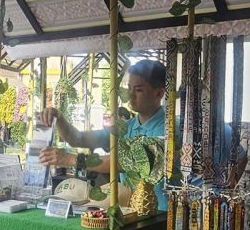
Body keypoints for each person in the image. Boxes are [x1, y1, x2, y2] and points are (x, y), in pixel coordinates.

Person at [39, 59, 168, 210]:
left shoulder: (168, 128)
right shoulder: (125, 127)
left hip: (160, 215)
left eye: (138, 90)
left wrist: (70, 159)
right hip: (129, 212)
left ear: (159, 93)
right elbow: (78, 139)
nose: (130, 95)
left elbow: (123, 162)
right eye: (129, 88)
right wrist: (59, 118)